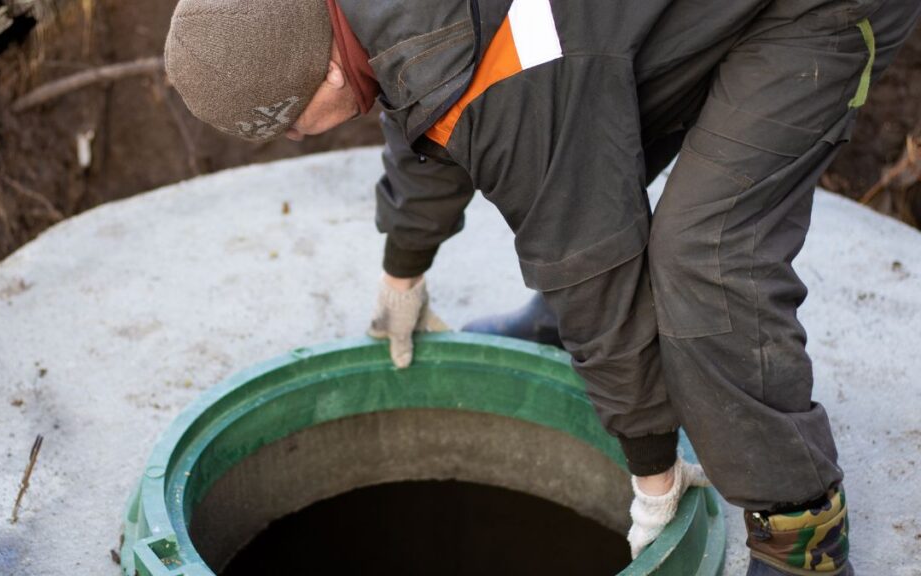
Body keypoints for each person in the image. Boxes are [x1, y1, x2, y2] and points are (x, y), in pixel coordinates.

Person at [164, 0, 921, 573]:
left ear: (327, 69)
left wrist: (652, 468)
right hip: (617, 29)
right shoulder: (385, 22)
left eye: (295, 122)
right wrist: (405, 268)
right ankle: (566, 328)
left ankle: (802, 534)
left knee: (704, 258)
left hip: (812, 14)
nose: (303, 136)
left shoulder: (503, 81)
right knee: (584, 164)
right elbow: (421, 109)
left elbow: (591, 253)